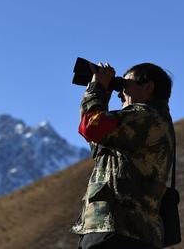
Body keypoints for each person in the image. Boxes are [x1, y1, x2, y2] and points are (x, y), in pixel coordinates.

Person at [71, 62, 175, 249]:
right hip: (127, 232)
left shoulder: (146, 117)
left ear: (148, 87)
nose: (120, 92)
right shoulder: (148, 122)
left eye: (124, 85)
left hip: (120, 232)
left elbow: (92, 127)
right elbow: (95, 140)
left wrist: (98, 88)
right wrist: (101, 96)